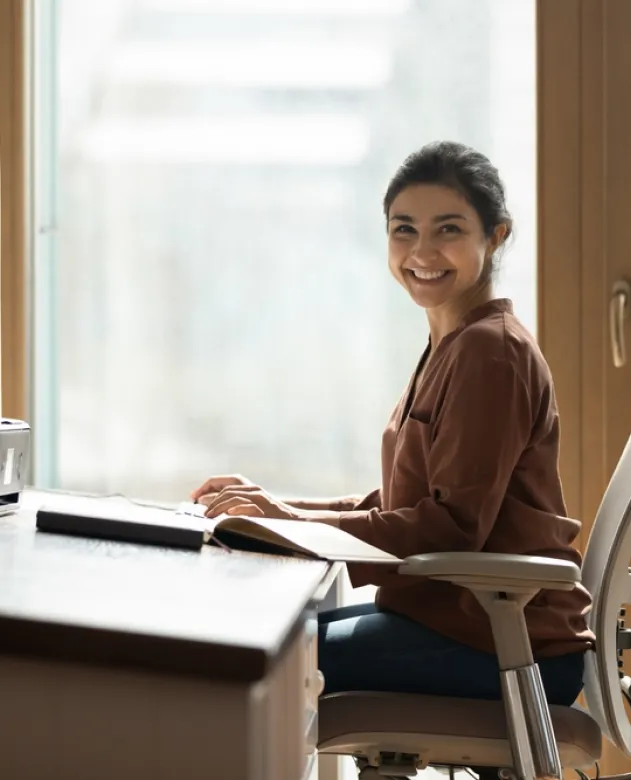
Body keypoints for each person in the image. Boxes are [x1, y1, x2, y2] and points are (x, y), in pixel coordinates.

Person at [192, 140, 594, 707]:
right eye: (404, 229)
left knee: (248, 658)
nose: (422, 250)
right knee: (265, 631)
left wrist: (289, 523)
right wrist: (281, 513)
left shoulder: (490, 353)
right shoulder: (454, 342)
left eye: (449, 230)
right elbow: (406, 501)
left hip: (500, 644)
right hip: (456, 625)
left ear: (496, 236)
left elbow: (450, 528)